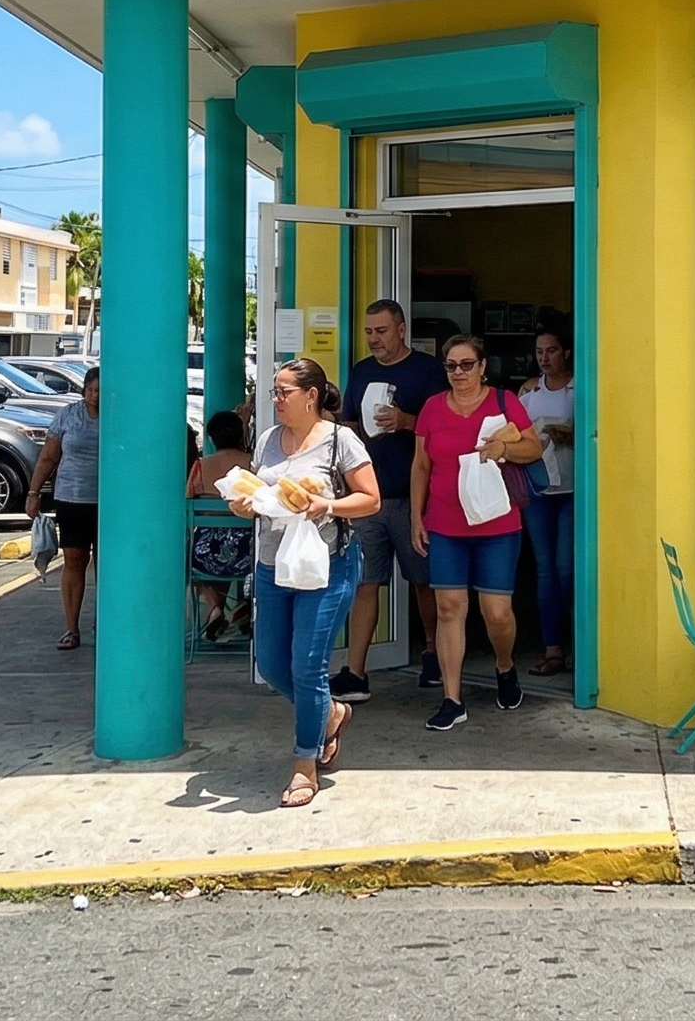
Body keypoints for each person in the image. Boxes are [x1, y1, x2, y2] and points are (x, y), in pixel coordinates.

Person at [228, 358, 382, 808]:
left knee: (307, 666)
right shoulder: (268, 441)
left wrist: (326, 506)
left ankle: (304, 765)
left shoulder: (340, 441)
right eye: (273, 391)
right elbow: (258, 493)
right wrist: (246, 504)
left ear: (310, 396)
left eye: (283, 392)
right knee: (273, 664)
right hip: (274, 564)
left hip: (326, 565)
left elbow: (370, 499)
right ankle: (331, 712)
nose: (275, 399)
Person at [408, 333, 545, 731]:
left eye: (467, 364)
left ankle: (505, 666)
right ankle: (452, 698)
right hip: (446, 523)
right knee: (450, 608)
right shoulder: (432, 408)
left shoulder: (505, 402)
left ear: (483, 367)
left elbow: (533, 448)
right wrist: (417, 517)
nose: (459, 373)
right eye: (451, 365)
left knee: (497, 613)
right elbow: (421, 465)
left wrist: (503, 450)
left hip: (497, 522)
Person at [335, 299, 447, 702]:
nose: (373, 339)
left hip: (414, 498)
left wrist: (405, 422)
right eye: (368, 332)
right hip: (368, 497)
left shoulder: (429, 371)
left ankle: (434, 653)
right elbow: (348, 423)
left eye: (380, 331)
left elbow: (445, 426)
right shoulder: (362, 372)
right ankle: (355, 673)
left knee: (424, 582)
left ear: (401, 330)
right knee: (365, 584)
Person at [516, 325, 577, 677]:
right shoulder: (529, 393)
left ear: (565, 352)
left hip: (571, 490)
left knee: (566, 568)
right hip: (539, 491)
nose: (545, 358)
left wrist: (571, 433)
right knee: (544, 572)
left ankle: (577, 645)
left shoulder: (577, 389)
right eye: (540, 352)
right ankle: (552, 649)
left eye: (551, 351)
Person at [28, 367, 102, 651]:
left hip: (111, 502)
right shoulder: (68, 416)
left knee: (107, 565)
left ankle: (106, 622)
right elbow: (49, 456)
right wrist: (34, 493)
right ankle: (72, 628)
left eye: (100, 391)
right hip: (72, 498)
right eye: (91, 390)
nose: (95, 396)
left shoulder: (120, 416)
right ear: (84, 390)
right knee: (74, 560)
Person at [186, 410, 256, 644]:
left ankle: (216, 607)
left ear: (211, 438)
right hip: (248, 553)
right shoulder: (252, 463)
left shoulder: (200, 466)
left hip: (206, 555)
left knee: (190, 558)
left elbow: (188, 500)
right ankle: (244, 606)